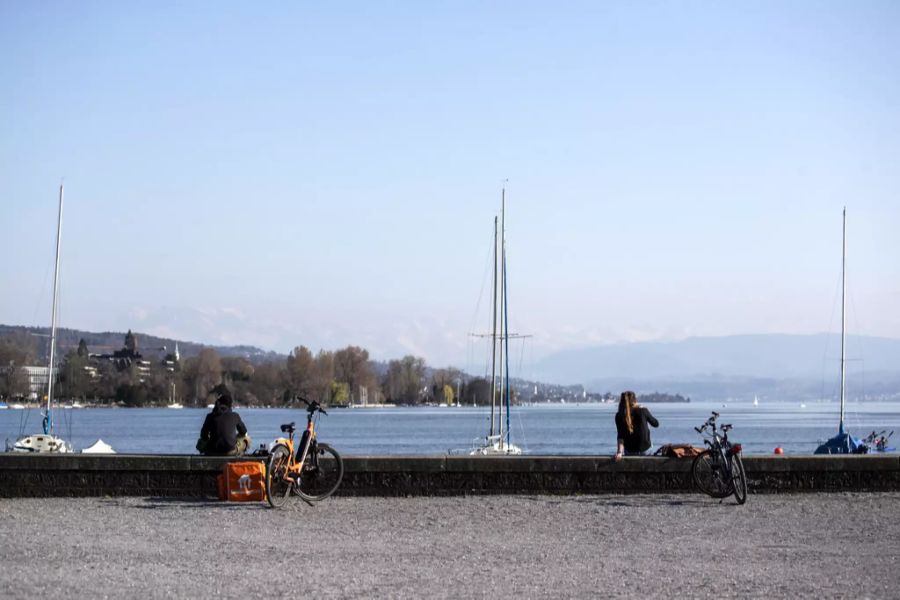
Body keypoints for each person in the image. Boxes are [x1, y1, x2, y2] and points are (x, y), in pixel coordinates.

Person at [196, 384, 251, 456]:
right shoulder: (235, 415)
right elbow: (244, 432)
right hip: (230, 451)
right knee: (247, 439)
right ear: (230, 405)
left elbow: (203, 435)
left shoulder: (210, 416)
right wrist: (234, 437)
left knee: (201, 442)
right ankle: (239, 455)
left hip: (212, 451)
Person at [614, 390, 658, 460]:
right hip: (645, 448)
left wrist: (619, 452)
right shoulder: (643, 411)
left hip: (630, 450)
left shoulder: (619, 416)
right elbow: (656, 424)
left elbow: (620, 436)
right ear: (635, 400)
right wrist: (645, 412)